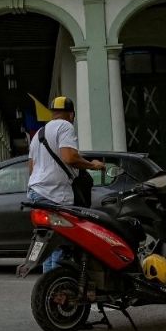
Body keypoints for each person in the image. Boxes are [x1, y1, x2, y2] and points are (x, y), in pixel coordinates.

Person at [27, 96, 104, 272]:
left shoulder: (39, 133)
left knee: (47, 244)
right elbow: (69, 157)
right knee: (61, 245)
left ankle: (48, 288)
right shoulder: (65, 126)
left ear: (53, 113)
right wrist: (93, 164)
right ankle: (58, 290)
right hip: (55, 193)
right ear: (71, 114)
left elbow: (31, 168)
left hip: (37, 193)